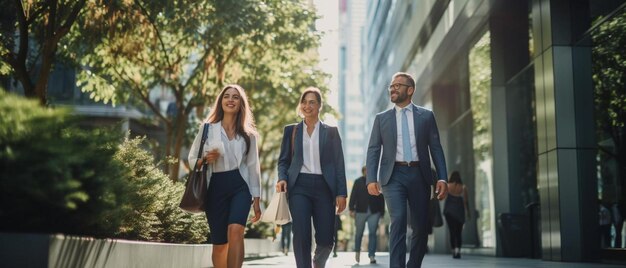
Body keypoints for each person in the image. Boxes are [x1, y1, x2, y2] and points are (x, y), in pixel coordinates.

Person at [366, 72, 448, 268]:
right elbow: (374, 149)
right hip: (392, 176)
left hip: (420, 175)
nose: (393, 89)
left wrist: (443, 178)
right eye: (391, 86)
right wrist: (371, 178)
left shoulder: (426, 116)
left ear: (410, 90)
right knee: (399, 219)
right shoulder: (381, 119)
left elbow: (435, 148)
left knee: (420, 226)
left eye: (398, 85)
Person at [188, 84, 262, 268]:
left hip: (240, 185)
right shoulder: (207, 129)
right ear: (221, 101)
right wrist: (205, 159)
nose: (230, 99)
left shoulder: (249, 135)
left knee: (236, 231)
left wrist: (257, 199)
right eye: (226, 96)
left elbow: (253, 167)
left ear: (241, 104)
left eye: (235, 97)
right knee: (220, 245)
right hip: (216, 187)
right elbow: (191, 159)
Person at [276, 87, 348, 268]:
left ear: (319, 106)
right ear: (300, 106)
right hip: (299, 186)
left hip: (325, 187)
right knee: (301, 233)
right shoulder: (291, 131)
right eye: (304, 102)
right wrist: (282, 178)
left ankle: (318, 262)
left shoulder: (331, 132)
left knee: (326, 238)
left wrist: (342, 193)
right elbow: (283, 161)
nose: (307, 106)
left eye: (312, 102)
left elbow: (339, 164)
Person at [349, 166, 385, 264]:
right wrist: (351, 209)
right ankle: (357, 252)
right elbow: (353, 195)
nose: (368, 172)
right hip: (360, 211)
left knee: (373, 233)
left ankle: (372, 255)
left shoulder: (377, 183)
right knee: (359, 233)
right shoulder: (358, 182)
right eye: (366, 171)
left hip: (374, 212)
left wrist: (382, 212)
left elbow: (381, 198)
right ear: (363, 172)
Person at [443, 171, 470, 259]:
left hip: (449, 213)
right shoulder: (463, 187)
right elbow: (465, 202)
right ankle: (458, 250)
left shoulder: (447, 186)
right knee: (458, 233)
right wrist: (468, 212)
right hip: (459, 213)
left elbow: (442, 197)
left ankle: (453, 251)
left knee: (452, 232)